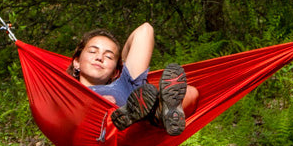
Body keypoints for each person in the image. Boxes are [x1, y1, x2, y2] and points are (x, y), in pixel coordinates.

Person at [68, 23, 197, 135]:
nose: (99, 58)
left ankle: (154, 114)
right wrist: (97, 105)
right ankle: (143, 115)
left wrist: (123, 63)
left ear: (115, 72)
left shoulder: (124, 84)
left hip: (137, 132)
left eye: (108, 57)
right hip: (99, 134)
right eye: (92, 51)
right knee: (103, 107)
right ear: (77, 62)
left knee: (191, 92)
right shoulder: (65, 92)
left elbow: (145, 30)